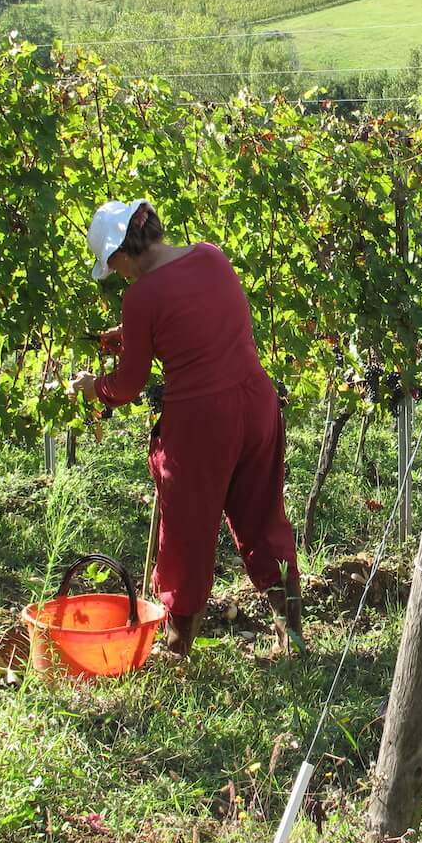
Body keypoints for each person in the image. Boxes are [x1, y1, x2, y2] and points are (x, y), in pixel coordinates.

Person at [68, 199, 303, 658]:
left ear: (121, 253)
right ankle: (292, 636)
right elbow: (195, 315)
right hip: (257, 402)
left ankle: (177, 649)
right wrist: (135, 331)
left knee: (187, 534)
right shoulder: (210, 255)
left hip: (202, 421)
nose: (115, 274)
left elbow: (129, 385)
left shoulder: (140, 297)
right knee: (262, 519)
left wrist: (93, 387)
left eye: (112, 265)